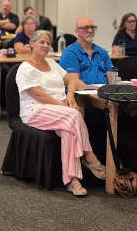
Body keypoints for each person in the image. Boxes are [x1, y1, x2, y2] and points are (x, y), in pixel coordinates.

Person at [60, 17, 137, 178]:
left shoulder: (101, 52)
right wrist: (97, 90)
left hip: (105, 95)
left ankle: (136, 160)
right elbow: (74, 81)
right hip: (84, 99)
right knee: (109, 117)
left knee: (131, 112)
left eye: (92, 27)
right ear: (77, 31)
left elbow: (112, 75)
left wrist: (117, 87)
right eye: (85, 28)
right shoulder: (70, 53)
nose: (90, 30)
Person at [16, 30, 105, 196]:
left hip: (61, 112)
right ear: (32, 44)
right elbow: (38, 95)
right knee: (74, 115)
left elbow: (72, 79)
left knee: (68, 130)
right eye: (41, 42)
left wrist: (70, 94)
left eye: (48, 43)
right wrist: (64, 106)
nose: (45, 45)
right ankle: (89, 156)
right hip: (35, 110)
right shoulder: (25, 68)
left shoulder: (52, 63)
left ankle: (72, 180)